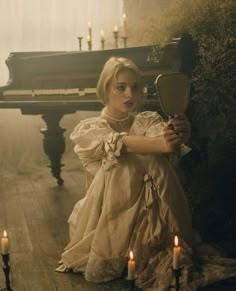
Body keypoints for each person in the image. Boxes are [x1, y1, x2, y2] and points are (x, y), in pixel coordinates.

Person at [57, 57, 236, 290]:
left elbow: (161, 141)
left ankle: (157, 245)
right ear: (106, 89)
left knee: (153, 158)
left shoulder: (147, 120)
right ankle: (136, 250)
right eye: (120, 87)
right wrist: (163, 144)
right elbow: (126, 144)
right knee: (124, 160)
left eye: (135, 87)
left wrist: (177, 134)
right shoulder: (90, 130)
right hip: (104, 217)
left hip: (152, 213)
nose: (129, 95)